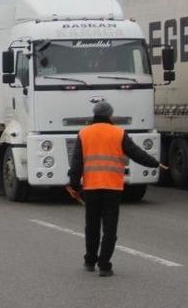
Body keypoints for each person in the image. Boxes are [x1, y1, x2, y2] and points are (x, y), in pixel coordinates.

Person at [68, 101, 166, 277]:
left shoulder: (84, 133)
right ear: (110, 115)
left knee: (92, 226)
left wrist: (74, 184)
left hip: (91, 186)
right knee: (110, 227)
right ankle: (104, 265)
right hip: (113, 187)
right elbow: (136, 153)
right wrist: (155, 163)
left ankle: (90, 261)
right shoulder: (119, 133)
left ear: (94, 114)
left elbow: (76, 162)